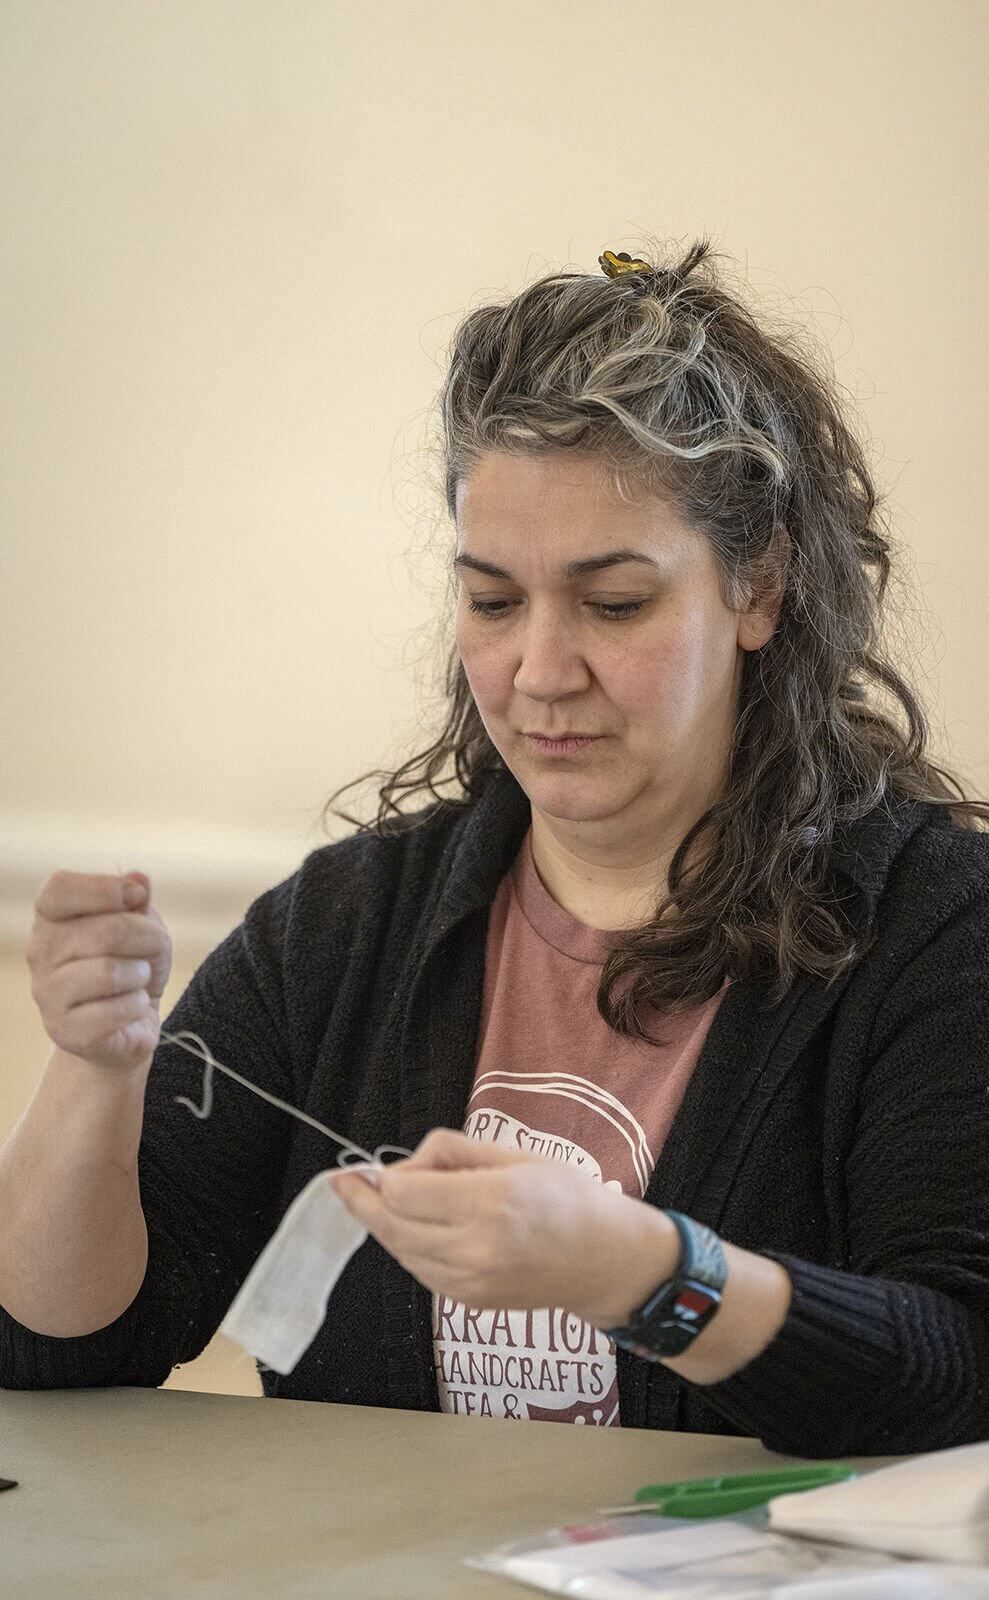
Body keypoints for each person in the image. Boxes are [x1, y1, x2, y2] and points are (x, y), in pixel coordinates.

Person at [3, 237, 988, 1458]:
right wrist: (93, 1071)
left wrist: (643, 1270)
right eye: (491, 600)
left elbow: (952, 1374)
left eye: (613, 603)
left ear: (761, 587)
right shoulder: (341, 929)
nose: (537, 671)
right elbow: (59, 1347)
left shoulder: (932, 925)